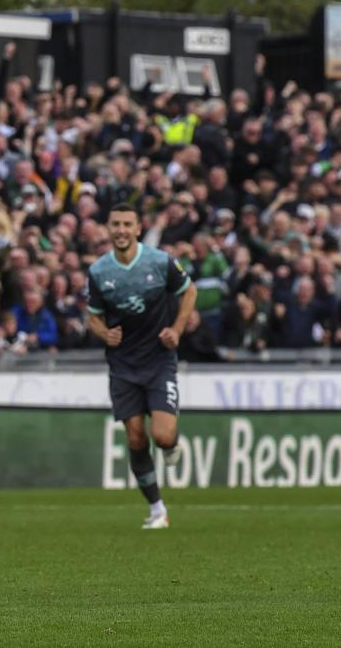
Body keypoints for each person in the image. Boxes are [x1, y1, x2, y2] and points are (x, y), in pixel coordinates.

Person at [86, 203, 198, 529]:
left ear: (138, 228)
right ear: (108, 228)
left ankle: (172, 445)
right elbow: (93, 315)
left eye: (127, 224)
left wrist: (177, 330)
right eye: (115, 224)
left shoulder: (159, 261)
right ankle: (157, 509)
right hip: (122, 365)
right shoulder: (98, 272)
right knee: (136, 439)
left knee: (162, 436)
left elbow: (188, 291)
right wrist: (104, 333)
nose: (120, 230)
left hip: (159, 360)